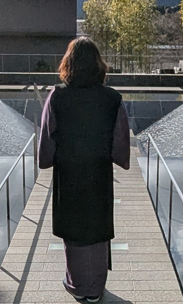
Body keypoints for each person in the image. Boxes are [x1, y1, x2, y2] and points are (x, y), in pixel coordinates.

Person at [38, 37, 130, 302]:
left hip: (68, 177)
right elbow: (121, 148)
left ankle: (77, 286)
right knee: (97, 231)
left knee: (74, 233)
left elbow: (46, 145)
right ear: (98, 65)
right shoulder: (113, 100)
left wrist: (52, 158)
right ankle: (96, 289)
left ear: (69, 64)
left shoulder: (57, 97)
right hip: (99, 175)